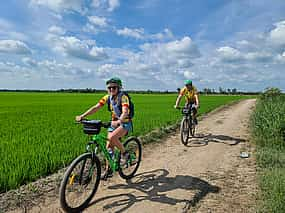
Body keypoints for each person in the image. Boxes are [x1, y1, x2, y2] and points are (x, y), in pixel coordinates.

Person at [75, 77, 132, 178]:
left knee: (111, 138)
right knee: (108, 148)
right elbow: (96, 107)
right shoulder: (107, 97)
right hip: (113, 124)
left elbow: (125, 111)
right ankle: (108, 169)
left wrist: (119, 121)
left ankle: (125, 153)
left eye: (113, 87)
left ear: (119, 87)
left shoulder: (123, 97)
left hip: (125, 124)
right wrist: (83, 116)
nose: (111, 90)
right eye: (109, 88)